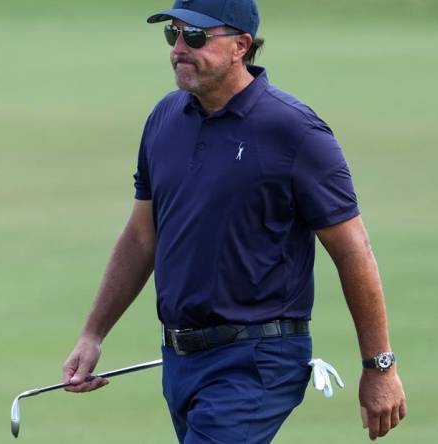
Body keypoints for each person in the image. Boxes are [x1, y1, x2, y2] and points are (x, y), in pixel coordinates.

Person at [61, 0, 407, 442]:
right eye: (174, 35)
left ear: (241, 45)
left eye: (197, 37)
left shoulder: (294, 131)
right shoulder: (165, 119)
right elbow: (141, 238)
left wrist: (380, 366)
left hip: (258, 360)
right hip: (181, 360)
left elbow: (353, 250)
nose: (179, 48)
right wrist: (93, 334)